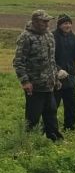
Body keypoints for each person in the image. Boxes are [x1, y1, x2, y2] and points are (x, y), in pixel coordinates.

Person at [12, 9, 63, 141]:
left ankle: (54, 138)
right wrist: (25, 82)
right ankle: (29, 141)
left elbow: (52, 60)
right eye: (43, 22)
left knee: (51, 112)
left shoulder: (49, 36)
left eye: (48, 21)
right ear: (35, 21)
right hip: (35, 85)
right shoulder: (26, 37)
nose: (47, 24)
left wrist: (56, 78)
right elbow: (18, 62)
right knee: (33, 116)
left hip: (49, 84)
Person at [53, 14, 75, 131]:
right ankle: (49, 129)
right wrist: (57, 70)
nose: (67, 25)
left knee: (71, 105)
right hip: (56, 78)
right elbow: (48, 58)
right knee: (53, 106)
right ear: (59, 25)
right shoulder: (53, 37)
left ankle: (69, 128)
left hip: (70, 77)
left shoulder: (72, 37)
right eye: (65, 23)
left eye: (69, 23)